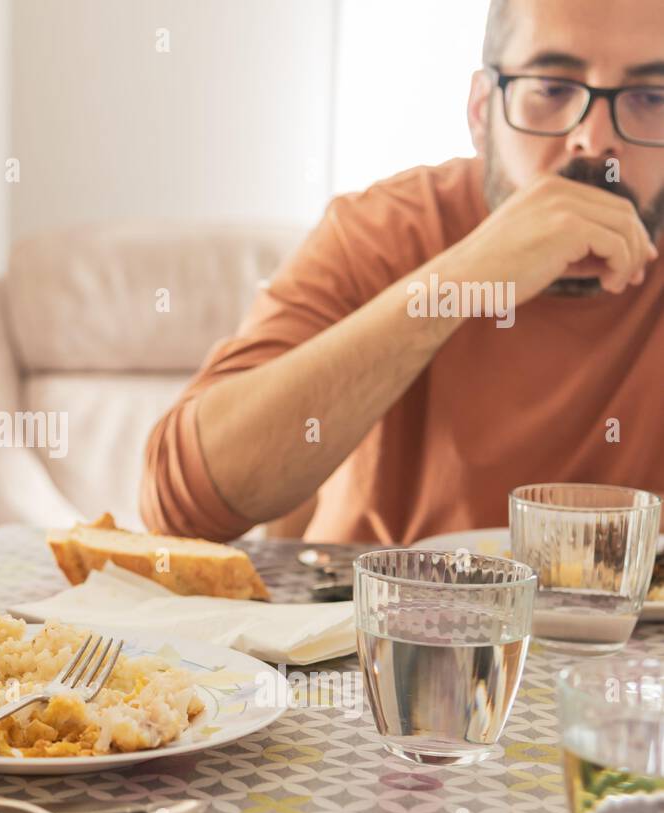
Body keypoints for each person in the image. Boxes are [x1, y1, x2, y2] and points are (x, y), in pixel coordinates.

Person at [142, 0, 664, 544]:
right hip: (356, 622)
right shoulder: (382, 230)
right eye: (552, 89)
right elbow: (181, 509)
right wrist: (461, 280)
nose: (596, 141)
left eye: (651, 98)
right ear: (482, 113)